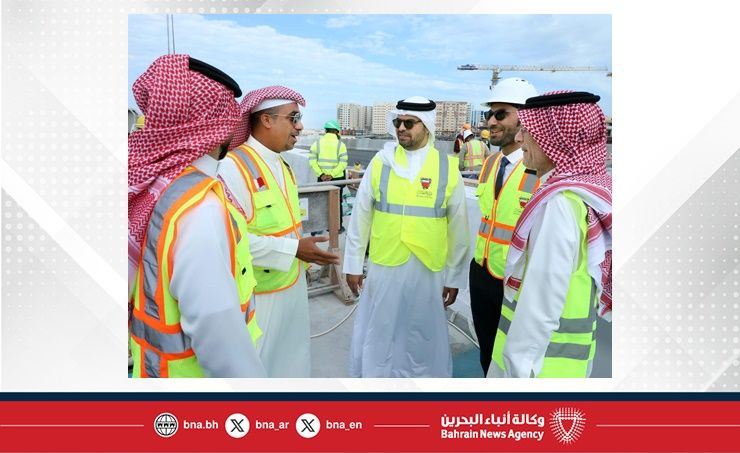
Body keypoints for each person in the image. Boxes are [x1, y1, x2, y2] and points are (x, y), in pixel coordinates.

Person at [128, 54, 265, 378]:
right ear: (216, 123)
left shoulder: (156, 185)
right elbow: (220, 339)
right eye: (229, 113)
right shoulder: (199, 209)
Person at [488, 90, 612, 378]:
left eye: (529, 131)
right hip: (564, 365)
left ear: (557, 139)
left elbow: (541, 302)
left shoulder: (559, 204)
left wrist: (518, 370)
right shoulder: (588, 192)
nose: (520, 139)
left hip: (535, 368)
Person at [343, 96, 470, 377]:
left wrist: (454, 278)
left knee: (422, 333)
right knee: (380, 330)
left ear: (426, 126)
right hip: (385, 262)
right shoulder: (381, 162)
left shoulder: (447, 167)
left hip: (427, 267)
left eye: (409, 123)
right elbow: (360, 217)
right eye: (397, 122)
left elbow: (458, 228)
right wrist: (352, 264)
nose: (401, 128)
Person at [219, 86, 340, 377]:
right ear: (266, 120)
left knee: (293, 363)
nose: (300, 127)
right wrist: (294, 249)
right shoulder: (233, 169)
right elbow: (228, 241)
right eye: (293, 118)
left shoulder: (283, 166)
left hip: (293, 286)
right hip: (258, 297)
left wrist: (300, 254)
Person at [470, 77, 539, 376]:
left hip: (517, 281)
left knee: (513, 359)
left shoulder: (540, 166)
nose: (491, 122)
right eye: (489, 114)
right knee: (487, 351)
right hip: (482, 272)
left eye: (501, 114)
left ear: (526, 118)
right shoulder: (490, 163)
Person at [309, 120, 349, 233]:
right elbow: (343, 163)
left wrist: (321, 174)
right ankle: (337, 227)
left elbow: (312, 161)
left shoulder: (317, 144)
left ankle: (323, 226)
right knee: (337, 203)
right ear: (336, 131)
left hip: (322, 179)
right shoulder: (341, 145)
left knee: (323, 202)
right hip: (337, 180)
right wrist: (332, 175)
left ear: (326, 130)